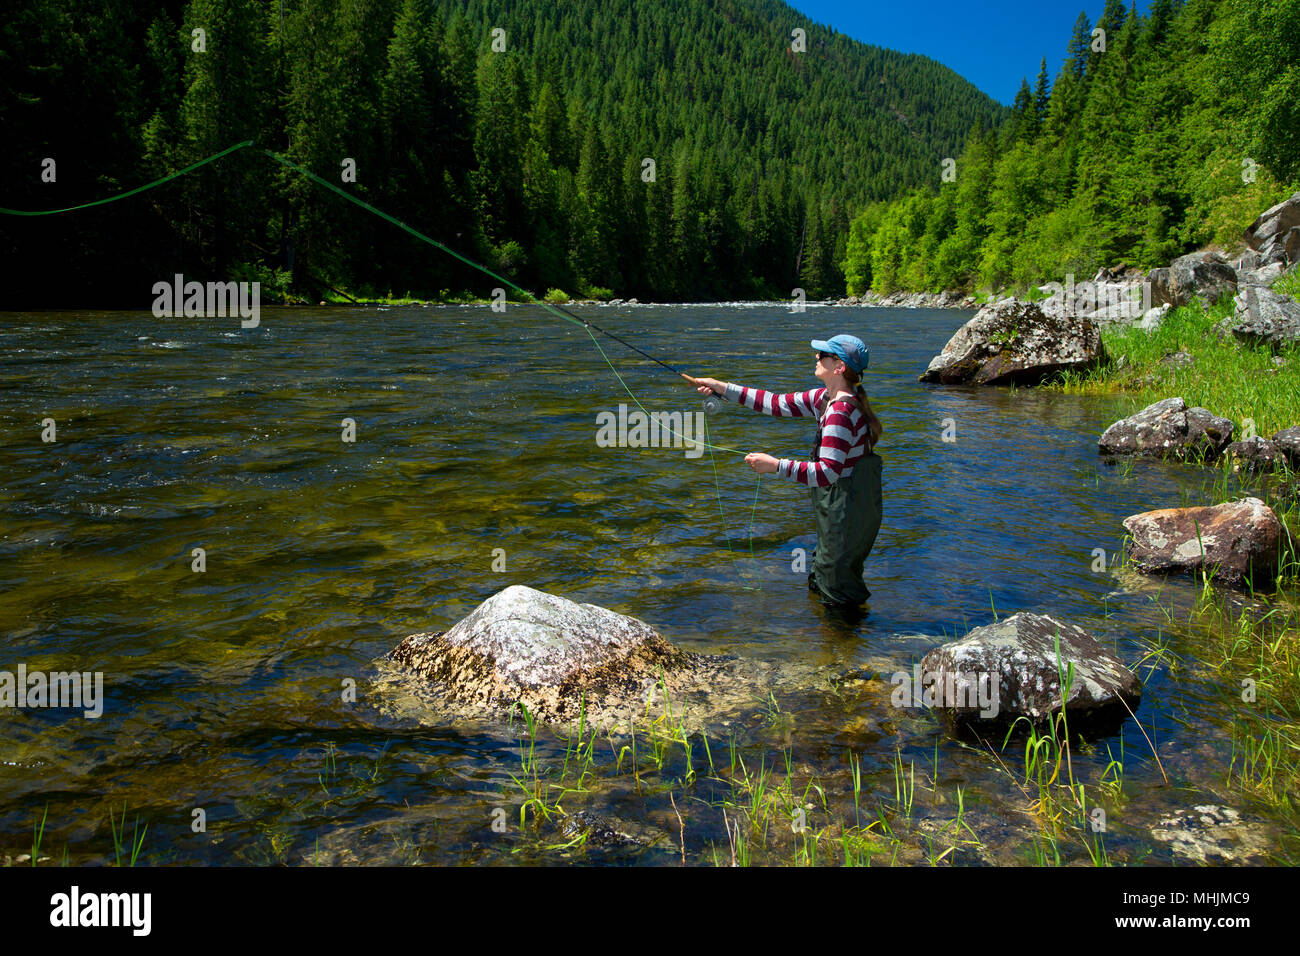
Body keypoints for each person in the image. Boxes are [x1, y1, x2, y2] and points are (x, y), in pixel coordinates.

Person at [690, 334, 883, 607]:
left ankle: (844, 641)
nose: (816, 357)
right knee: (825, 575)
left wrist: (775, 466)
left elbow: (827, 472)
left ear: (839, 367)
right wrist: (721, 387)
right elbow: (775, 403)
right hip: (847, 506)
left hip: (849, 510)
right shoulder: (824, 398)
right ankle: (831, 640)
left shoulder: (840, 411)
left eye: (823, 355)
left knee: (839, 589)